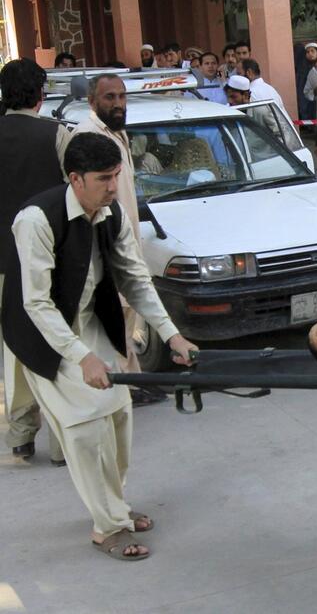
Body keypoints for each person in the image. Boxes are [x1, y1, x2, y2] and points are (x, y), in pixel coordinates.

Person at [2, 132, 198, 561]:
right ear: (75, 179)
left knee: (118, 420)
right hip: (44, 333)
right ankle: (108, 527)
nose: (113, 186)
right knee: (86, 429)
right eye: (104, 178)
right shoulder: (36, 219)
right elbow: (34, 302)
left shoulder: (112, 214)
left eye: (116, 175)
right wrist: (81, 357)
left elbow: (134, 278)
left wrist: (171, 334)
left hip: (91, 319)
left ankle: (115, 507)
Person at [69, 73, 156, 405]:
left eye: (121, 96)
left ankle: (131, 384)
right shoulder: (86, 136)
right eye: (109, 98)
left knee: (125, 317)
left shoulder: (116, 133)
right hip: (103, 248)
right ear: (93, 102)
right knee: (112, 318)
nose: (118, 103)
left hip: (126, 242)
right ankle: (122, 389)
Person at [0, 59, 68, 464]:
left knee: (12, 348)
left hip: (1, 261)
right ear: (41, 95)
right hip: (47, 255)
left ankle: (21, 434)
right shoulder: (56, 135)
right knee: (55, 341)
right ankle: (62, 442)